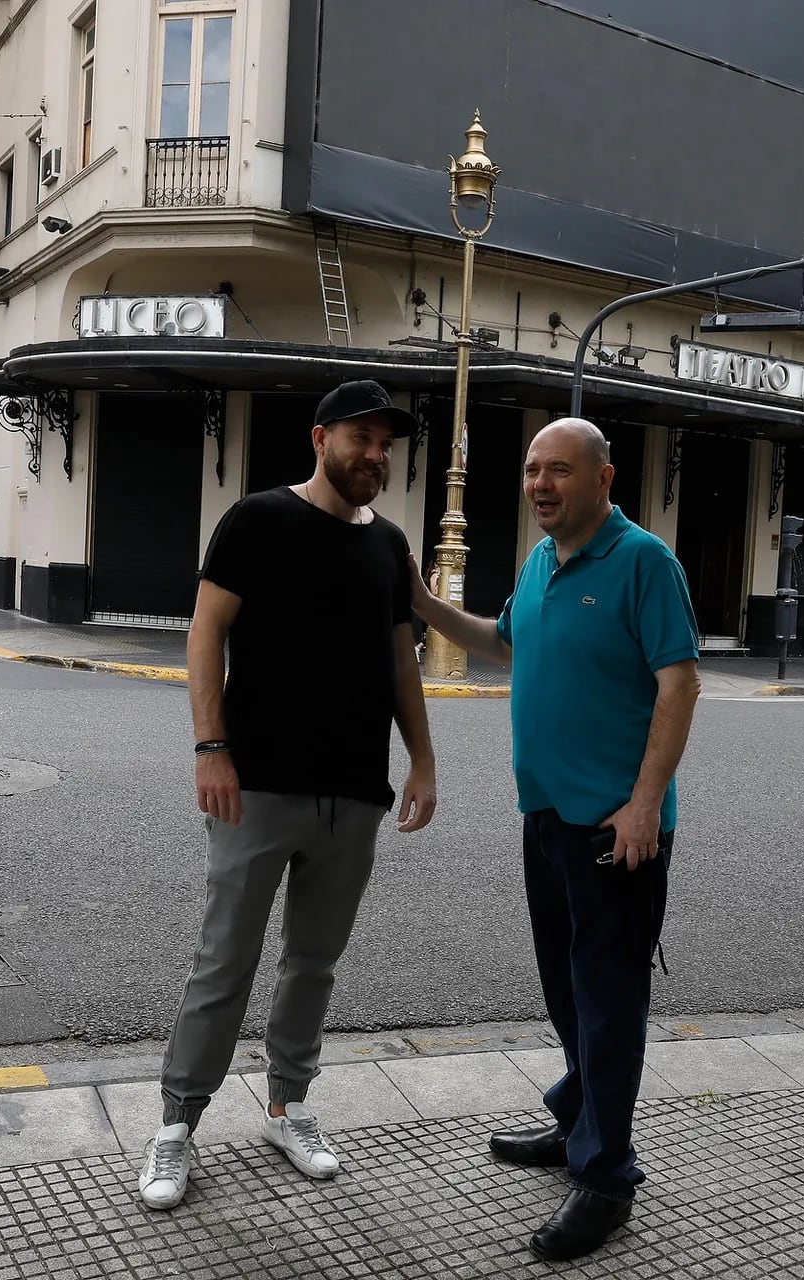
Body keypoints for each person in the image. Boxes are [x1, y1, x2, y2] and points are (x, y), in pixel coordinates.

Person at [138, 379, 437, 1212]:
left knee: (314, 961)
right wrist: (211, 748)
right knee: (224, 958)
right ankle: (177, 1123)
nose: (375, 455)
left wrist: (422, 761)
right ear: (320, 439)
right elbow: (206, 633)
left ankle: (288, 1105)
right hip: (258, 783)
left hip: (353, 791)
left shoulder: (391, 547)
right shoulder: (257, 519)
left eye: (386, 444)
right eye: (361, 439)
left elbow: (400, 664)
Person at [411, 417, 699, 1263]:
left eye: (560, 471)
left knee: (608, 1004)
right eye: (533, 470)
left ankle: (607, 1176)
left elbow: (680, 682)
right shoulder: (541, 563)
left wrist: (646, 803)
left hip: (618, 829)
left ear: (604, 479)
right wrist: (426, 605)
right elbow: (502, 642)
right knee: (568, 995)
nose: (541, 484)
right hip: (546, 818)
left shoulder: (644, 561)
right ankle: (578, 1124)